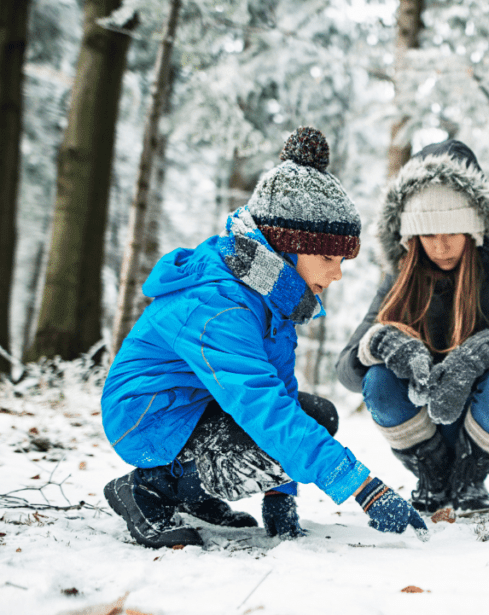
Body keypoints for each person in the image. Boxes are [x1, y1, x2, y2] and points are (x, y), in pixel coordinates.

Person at [102, 127, 427, 548]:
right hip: (148, 417)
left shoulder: (271, 295)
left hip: (198, 407)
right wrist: (365, 489)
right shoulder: (220, 305)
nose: (336, 273)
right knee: (274, 434)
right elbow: (262, 408)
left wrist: (281, 497)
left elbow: (281, 395)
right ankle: (148, 486)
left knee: (316, 415)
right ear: (286, 246)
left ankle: (189, 490)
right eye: (328, 257)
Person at [336, 139, 489, 512]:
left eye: (452, 231)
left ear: (476, 228)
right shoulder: (401, 278)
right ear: (411, 236)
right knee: (377, 378)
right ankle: (431, 474)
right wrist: (379, 344)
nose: (442, 246)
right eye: (428, 234)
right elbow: (347, 373)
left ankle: (470, 476)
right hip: (425, 428)